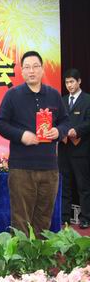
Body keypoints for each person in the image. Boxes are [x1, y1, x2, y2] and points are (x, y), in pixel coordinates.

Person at [0, 50, 69, 237]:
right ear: (21, 71)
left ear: (42, 69)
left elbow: (65, 121)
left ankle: (38, 253)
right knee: (21, 219)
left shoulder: (54, 95)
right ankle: (21, 255)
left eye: (35, 66)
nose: (31, 71)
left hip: (49, 168)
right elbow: (1, 124)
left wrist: (58, 131)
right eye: (27, 67)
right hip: (22, 168)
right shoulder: (13, 95)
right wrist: (21, 135)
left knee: (44, 219)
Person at [59, 68, 90, 228]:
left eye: (72, 82)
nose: (69, 85)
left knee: (83, 186)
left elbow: (88, 122)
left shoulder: (87, 100)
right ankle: (64, 217)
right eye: (67, 82)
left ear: (79, 81)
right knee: (65, 184)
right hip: (64, 149)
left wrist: (76, 131)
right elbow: (57, 120)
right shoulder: (62, 100)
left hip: (81, 149)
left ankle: (85, 218)